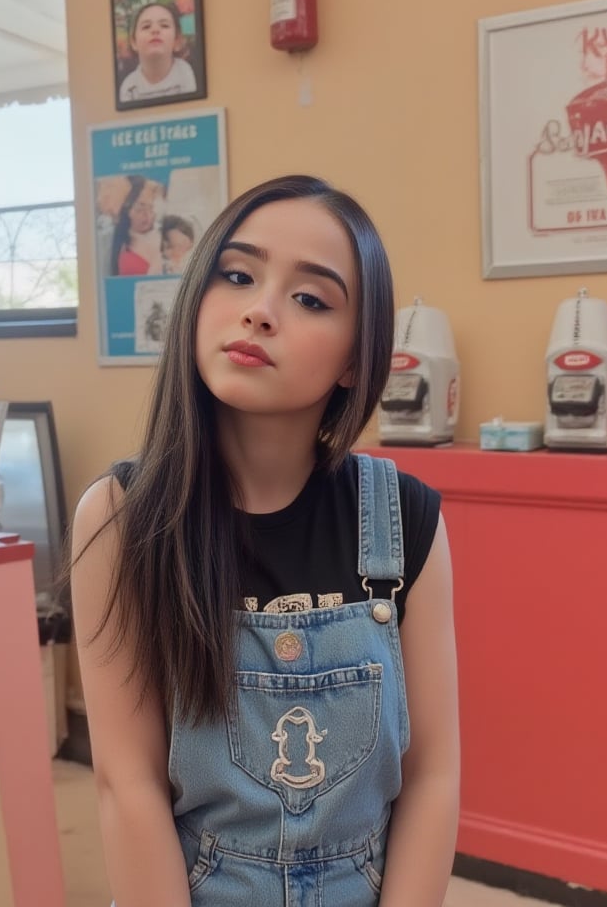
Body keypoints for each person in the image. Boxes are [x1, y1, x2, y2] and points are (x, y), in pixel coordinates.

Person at [71, 174, 460, 907]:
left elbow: (434, 774)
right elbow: (129, 787)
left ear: (355, 358)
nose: (259, 311)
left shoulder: (406, 519)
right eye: (238, 275)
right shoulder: (120, 518)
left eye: (310, 298)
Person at [118, 1, 197, 103]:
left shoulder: (184, 73)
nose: (155, 30)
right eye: (146, 27)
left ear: (177, 40)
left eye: (164, 25)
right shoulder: (129, 87)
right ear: (134, 42)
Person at [110, 176, 164, 276]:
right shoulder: (118, 243)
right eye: (140, 209)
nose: (147, 215)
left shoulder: (163, 238)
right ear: (125, 209)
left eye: (150, 208)